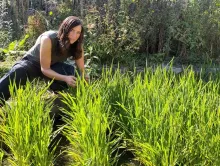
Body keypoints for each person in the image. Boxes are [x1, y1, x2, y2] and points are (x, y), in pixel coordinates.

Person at [0, 16, 88, 106]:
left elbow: (81, 70)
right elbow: (45, 69)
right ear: (65, 28)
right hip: (32, 63)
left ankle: (61, 95)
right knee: (17, 72)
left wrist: (84, 77)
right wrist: (65, 78)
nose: (74, 36)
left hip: (52, 64)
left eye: (78, 32)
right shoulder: (48, 39)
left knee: (70, 72)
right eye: (72, 30)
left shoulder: (77, 45)